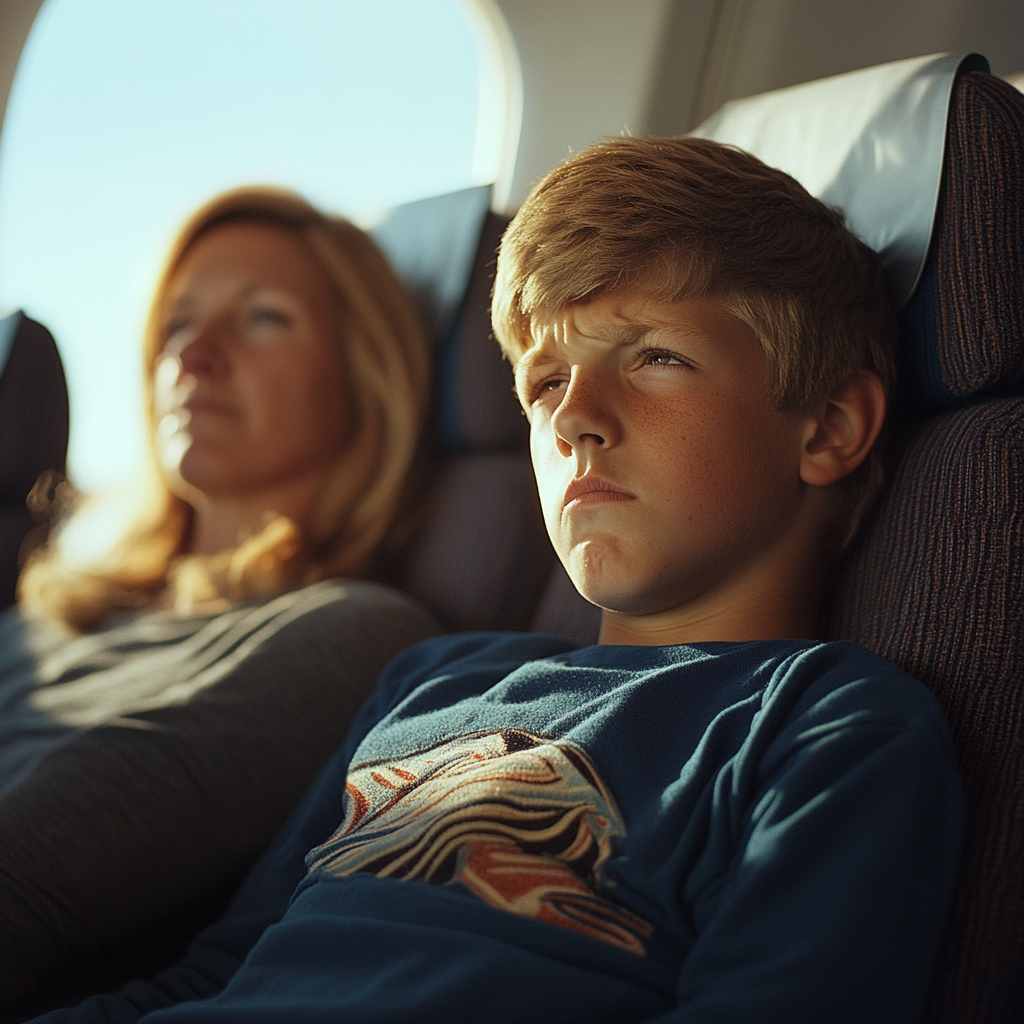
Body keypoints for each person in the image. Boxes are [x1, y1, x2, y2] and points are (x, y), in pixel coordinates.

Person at [32, 138, 963, 1024]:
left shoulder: (829, 726)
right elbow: (216, 971)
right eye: (545, 382)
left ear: (830, 427)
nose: (575, 419)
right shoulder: (435, 681)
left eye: (657, 358)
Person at [0, 187, 441, 1010]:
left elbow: (17, 888)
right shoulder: (60, 606)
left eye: (263, 317)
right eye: (175, 322)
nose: (191, 355)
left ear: (363, 374)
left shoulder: (353, 632)